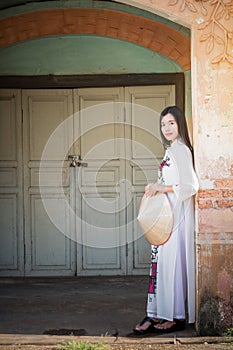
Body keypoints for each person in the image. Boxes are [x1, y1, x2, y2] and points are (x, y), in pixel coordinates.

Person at [133, 106, 199, 335]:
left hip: (177, 218)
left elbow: (191, 186)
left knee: (172, 265)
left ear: (180, 123)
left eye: (171, 123)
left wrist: (162, 187)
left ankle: (175, 317)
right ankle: (163, 313)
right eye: (163, 124)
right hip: (167, 216)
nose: (167, 128)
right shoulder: (172, 149)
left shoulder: (181, 150)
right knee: (163, 266)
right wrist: (155, 188)